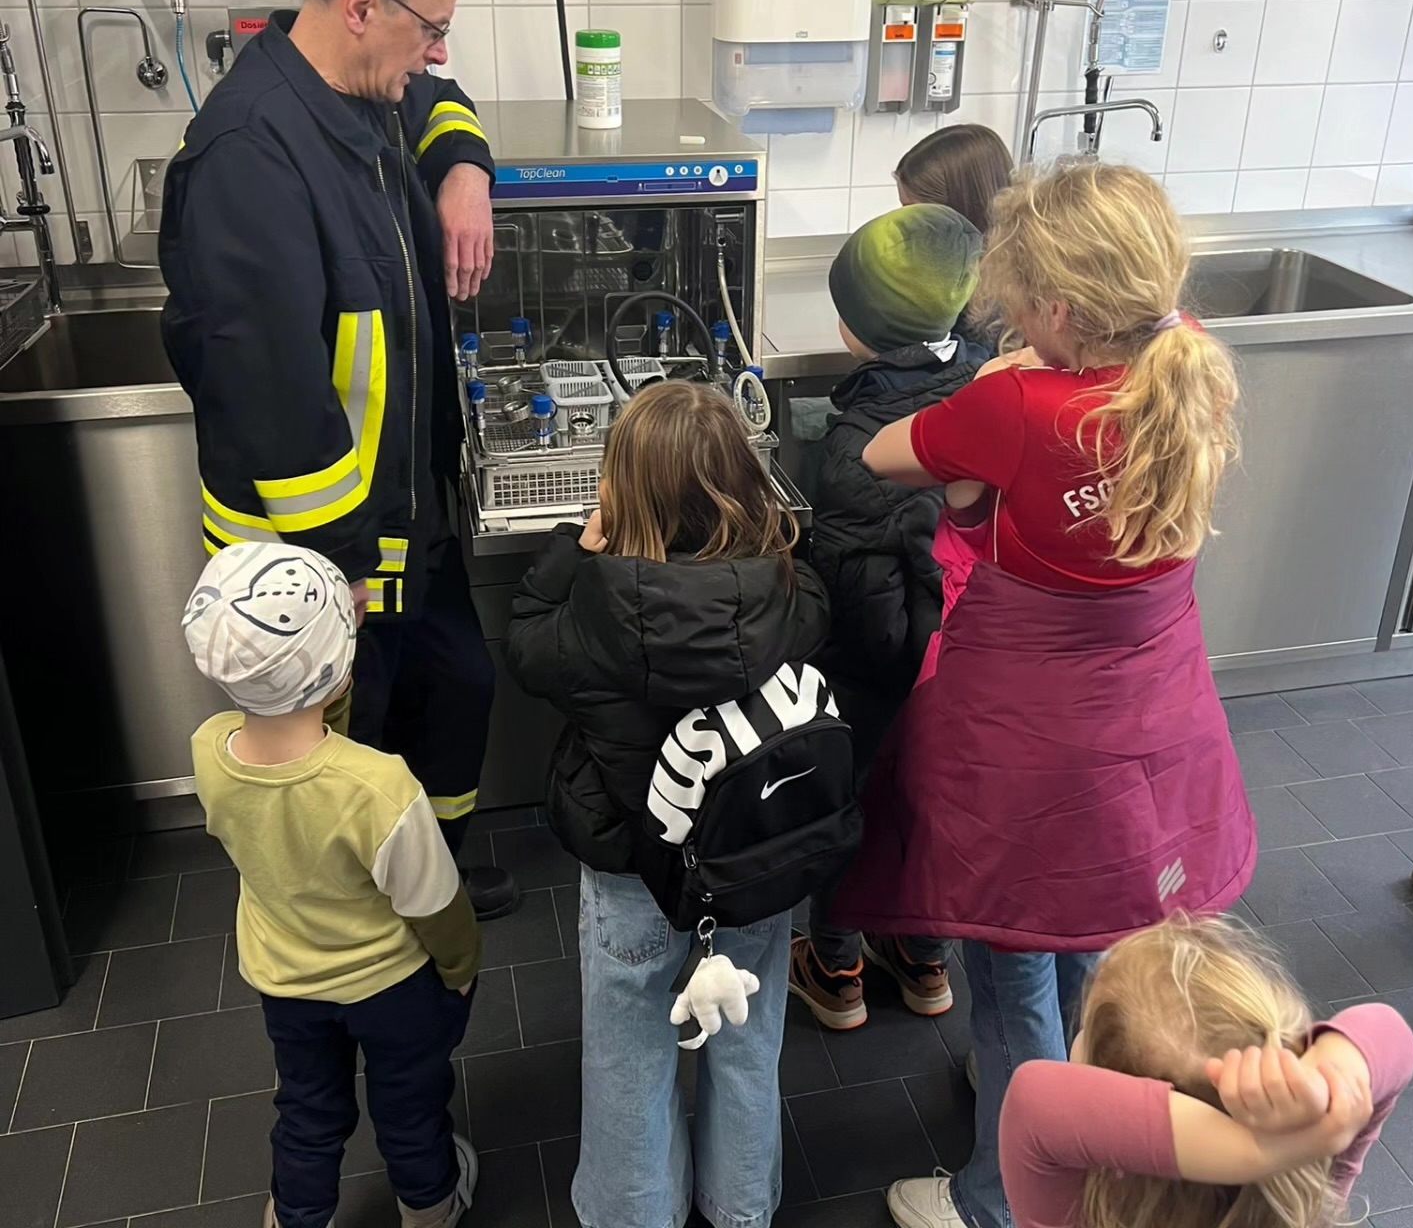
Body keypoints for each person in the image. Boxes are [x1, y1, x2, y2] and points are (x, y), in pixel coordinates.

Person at [833, 162, 1258, 1228]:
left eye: (1020, 304)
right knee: (1096, 933)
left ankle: (1001, 1198)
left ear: (1059, 311)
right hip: (1157, 720)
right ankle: (1078, 1118)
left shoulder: (1014, 405)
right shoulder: (1191, 363)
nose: (1010, 321)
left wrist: (1001, 383)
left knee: (1013, 968)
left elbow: (884, 455)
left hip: (1032, 749)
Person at [159, 0, 517, 919]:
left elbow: (439, 100)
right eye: (430, 27)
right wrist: (343, 567)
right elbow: (269, 395)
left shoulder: (360, 89)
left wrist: (465, 171)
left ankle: (434, 883)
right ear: (362, 4)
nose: (435, 53)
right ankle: (365, 923)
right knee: (353, 743)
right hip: (324, 550)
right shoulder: (249, 155)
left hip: (405, 513)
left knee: (456, 690)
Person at [506, 382, 829, 1228]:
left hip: (633, 869)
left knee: (629, 1055)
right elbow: (820, 597)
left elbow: (525, 643)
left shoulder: (589, 608)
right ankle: (740, 1207)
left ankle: (634, 1212)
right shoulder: (789, 593)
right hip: (751, 860)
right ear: (746, 484)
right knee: (748, 1043)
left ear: (620, 492)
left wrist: (574, 548)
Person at [181, 542, 484, 1228]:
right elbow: (436, 906)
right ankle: (431, 1208)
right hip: (391, 986)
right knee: (408, 1106)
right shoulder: (381, 789)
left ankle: (295, 1216)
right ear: (339, 672)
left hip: (287, 983)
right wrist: (462, 969)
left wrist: (328, 662)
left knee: (308, 1109)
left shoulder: (209, 749)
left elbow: (302, 756)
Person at [789, 204, 989, 1032]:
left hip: (879, 671)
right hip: (966, 660)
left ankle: (835, 967)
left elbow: (859, 595)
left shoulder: (855, 447)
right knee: (934, 811)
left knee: (853, 807)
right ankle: (923, 956)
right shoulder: (987, 383)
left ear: (854, 329)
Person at [994, 915, 1413, 1228]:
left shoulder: (1076, 1209)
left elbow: (1035, 1099)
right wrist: (1325, 1094)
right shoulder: (1312, 1175)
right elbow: (1391, 1032)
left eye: (1086, 1030)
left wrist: (1255, 1153)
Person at [895, 123, 1014, 344]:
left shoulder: (991, 305)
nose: (907, 224)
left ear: (960, 211)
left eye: (914, 212)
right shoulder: (951, 266)